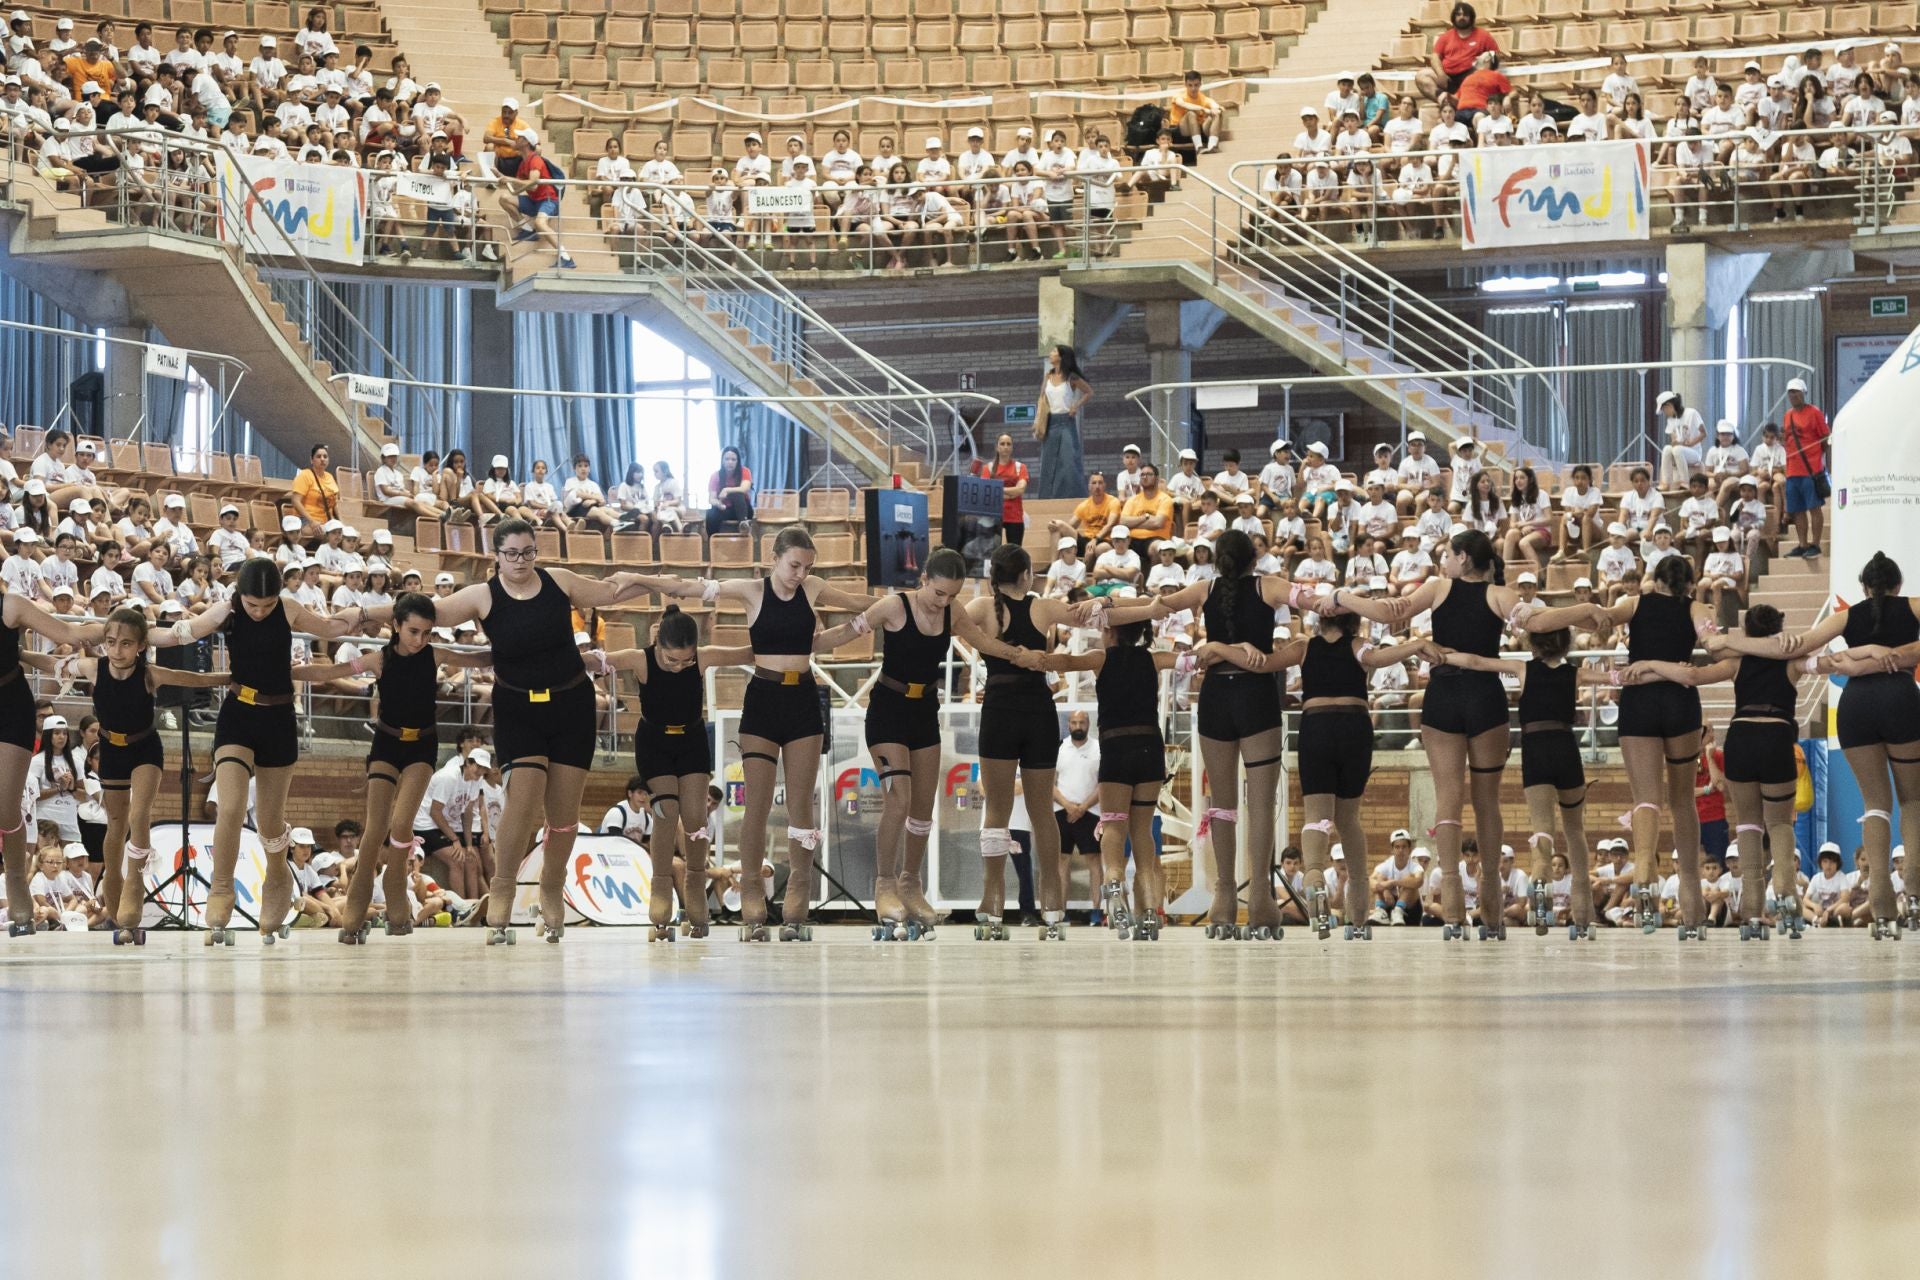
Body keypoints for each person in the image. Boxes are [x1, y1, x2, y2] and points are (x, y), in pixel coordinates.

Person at [369, 520, 661, 944]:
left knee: (564, 819)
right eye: (512, 554)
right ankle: (503, 885)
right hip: (518, 709)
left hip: (572, 705)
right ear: (497, 555)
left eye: (528, 552)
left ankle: (551, 887)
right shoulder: (483, 595)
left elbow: (611, 592)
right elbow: (425, 612)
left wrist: (666, 583)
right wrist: (364, 614)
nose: (521, 561)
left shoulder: (558, 581)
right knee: (521, 802)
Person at [1323, 530, 1603, 939]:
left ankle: (1453, 903)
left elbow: (1389, 610)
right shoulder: (1499, 595)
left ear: (1465, 559)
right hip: (1485, 698)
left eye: (1448, 555)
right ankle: (1491, 901)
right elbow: (1539, 621)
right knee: (1486, 802)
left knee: (1448, 801)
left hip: (1444, 697)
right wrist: (1583, 609)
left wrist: (1342, 597)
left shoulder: (1438, 588)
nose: (1443, 562)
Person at [1090, 530, 1314, 938]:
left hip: (1215, 698)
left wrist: (1105, 605)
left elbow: (1155, 606)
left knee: (1222, 807)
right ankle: (1261, 897)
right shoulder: (1270, 585)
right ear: (1253, 558)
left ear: (1216, 560)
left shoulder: (1203, 588)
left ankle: (1224, 896)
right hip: (1256, 695)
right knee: (1261, 804)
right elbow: (1310, 599)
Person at [657, 528, 877, 941]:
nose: (800, 573)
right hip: (763, 698)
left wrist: (890, 610)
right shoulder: (751, 590)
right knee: (756, 804)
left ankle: (798, 893)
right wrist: (645, 581)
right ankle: (752, 890)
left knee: (800, 804)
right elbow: (693, 587)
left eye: (807, 566)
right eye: (794, 564)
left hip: (803, 700)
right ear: (773, 558)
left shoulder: (812, 588)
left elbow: (859, 605)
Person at [823, 549, 1027, 939]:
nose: (943, 603)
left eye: (951, 595)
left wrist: (1025, 657)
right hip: (887, 711)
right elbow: (845, 633)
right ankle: (884, 884)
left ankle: (910, 884)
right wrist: (802, 645)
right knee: (898, 798)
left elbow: (985, 642)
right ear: (923, 581)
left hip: (923, 713)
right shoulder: (893, 607)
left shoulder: (953, 613)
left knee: (922, 809)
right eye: (938, 593)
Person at [1715, 553, 1920, 937]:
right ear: (1897, 585)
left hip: (1856, 706)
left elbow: (1792, 646)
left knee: (1875, 805)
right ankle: (1915, 891)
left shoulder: (1846, 617)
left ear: (1863, 587)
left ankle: (1879, 900)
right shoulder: (1913, 606)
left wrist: (1727, 639)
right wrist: (1902, 655)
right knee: (1912, 800)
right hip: (1901, 699)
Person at [171, 559, 362, 945]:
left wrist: (369, 614)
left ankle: (277, 877)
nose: (259, 611)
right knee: (230, 806)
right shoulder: (227, 610)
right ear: (240, 595)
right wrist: (130, 634)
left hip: (278, 718)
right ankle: (221, 887)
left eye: (267, 604)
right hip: (237, 714)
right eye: (252, 604)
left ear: (279, 596)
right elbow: (185, 632)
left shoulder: (290, 610)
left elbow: (330, 627)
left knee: (271, 822)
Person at [301, 593, 492, 942]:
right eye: (413, 631)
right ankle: (355, 916)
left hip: (422, 745)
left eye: (427, 633)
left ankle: (394, 892)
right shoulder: (379, 660)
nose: (420, 640)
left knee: (402, 825)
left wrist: (521, 650)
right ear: (396, 626)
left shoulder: (434, 654)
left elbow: (478, 658)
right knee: (374, 831)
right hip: (386, 745)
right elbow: (329, 671)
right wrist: (279, 674)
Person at [1264, 611, 1434, 938]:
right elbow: (1383, 658)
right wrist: (1417, 644)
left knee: (1316, 816)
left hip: (1317, 725)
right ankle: (1357, 916)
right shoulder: (1358, 645)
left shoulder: (1303, 647)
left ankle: (1314, 880)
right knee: (1348, 819)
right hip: (1354, 726)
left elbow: (1265, 662)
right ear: (1352, 622)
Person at [1435, 626, 1613, 938]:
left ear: (1534, 643)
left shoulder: (1523, 668)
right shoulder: (1576, 673)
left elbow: (1479, 662)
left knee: (1543, 828)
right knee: (1575, 830)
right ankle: (1584, 918)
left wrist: (1446, 655)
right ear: (1565, 644)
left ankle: (1541, 879)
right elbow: (1617, 679)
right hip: (1565, 745)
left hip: (1536, 747)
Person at [596, 605, 758, 940]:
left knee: (697, 816)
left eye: (687, 661)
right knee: (667, 811)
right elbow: (592, 661)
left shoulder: (703, 657)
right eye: (672, 660)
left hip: (691, 740)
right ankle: (659, 888)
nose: (680, 666)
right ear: (657, 645)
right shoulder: (640, 659)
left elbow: (751, 651)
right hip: (654, 742)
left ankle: (695, 885)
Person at [1024, 618, 1180, 938]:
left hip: (1117, 747)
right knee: (1142, 834)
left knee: (1113, 824)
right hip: (1151, 747)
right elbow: (1192, 659)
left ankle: (1113, 889)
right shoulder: (1154, 658)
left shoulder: (1100, 658)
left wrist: (1033, 657)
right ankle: (1149, 910)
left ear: (1110, 632)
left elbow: (1064, 661)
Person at [1594, 555, 1718, 936]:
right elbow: (1713, 640)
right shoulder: (1698, 607)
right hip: (1680, 702)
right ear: (1687, 584)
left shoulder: (1635, 603)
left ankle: (1644, 878)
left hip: (1640, 702)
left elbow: (1603, 620)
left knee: (1646, 799)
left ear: (1655, 579)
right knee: (1683, 800)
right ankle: (1693, 901)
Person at [967, 544, 1079, 939]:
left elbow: (941, 621)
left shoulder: (981, 608)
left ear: (993, 577)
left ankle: (993, 901)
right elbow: (1090, 615)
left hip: (999, 710)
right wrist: (1147, 606)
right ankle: (1052, 904)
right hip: (1037, 711)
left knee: (996, 810)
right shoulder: (1044, 608)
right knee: (1041, 811)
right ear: (1028, 575)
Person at [497, 133, 575, 270]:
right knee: (503, 198)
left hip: (548, 200)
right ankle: (527, 230)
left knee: (540, 223)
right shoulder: (523, 163)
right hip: (534, 201)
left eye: (520, 138)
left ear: (527, 142)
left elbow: (533, 184)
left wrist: (510, 180)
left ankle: (566, 257)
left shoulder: (535, 159)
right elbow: (517, 185)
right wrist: (500, 178)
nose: (516, 139)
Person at [1780, 376, 1829, 557]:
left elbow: (1825, 438)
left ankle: (1815, 544)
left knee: (1814, 507)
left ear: (1803, 393)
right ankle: (1802, 544)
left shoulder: (1814, 412)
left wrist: (1819, 460)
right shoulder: (1787, 416)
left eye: (1796, 391)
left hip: (1811, 469)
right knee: (1797, 509)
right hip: (1792, 470)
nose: (1793, 395)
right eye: (1790, 392)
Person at [1034, 344, 1091, 500]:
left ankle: (1075, 496)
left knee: (1069, 459)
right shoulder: (1048, 375)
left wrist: (1076, 405)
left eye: (1053, 352)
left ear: (1061, 356)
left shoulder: (1071, 377)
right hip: (1051, 421)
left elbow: (1088, 392)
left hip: (1066, 420)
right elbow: (1042, 398)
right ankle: (1047, 497)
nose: (1050, 354)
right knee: (1049, 460)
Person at [1418, 2, 1499, 103]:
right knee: (1421, 75)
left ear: (1471, 17)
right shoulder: (1445, 37)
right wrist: (1441, 74)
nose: (1462, 17)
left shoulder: (1484, 35)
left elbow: (1494, 57)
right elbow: (1435, 57)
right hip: (1448, 78)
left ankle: (1461, 102)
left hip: (1471, 77)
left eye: (1465, 15)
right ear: (1454, 17)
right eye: (1458, 14)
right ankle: (1445, 100)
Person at [972, 433, 1029, 547]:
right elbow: (987, 493)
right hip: (993, 515)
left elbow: (1020, 490)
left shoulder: (1020, 467)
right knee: (990, 553)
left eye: (1009, 444)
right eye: (1002, 444)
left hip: (1015, 516)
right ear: (997, 447)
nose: (1005, 446)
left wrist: (997, 489)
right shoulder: (987, 468)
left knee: (1014, 553)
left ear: (1012, 448)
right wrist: (1011, 493)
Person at [1655, 389, 1707, 488]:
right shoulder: (1670, 420)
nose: (1664, 413)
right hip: (1679, 450)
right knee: (1667, 449)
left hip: (1694, 453)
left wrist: (1690, 443)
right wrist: (1675, 442)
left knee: (1677, 450)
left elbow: (1704, 433)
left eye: (1664, 410)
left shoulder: (1691, 413)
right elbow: (1674, 440)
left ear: (1669, 406)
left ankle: (1685, 481)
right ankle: (1666, 482)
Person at [290, 442, 340, 538]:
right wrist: (312, 521)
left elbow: (334, 504)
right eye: (318, 456)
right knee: (332, 535)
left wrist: (341, 522)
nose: (322, 459)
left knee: (353, 535)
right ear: (312, 460)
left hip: (327, 522)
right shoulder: (305, 475)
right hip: (306, 520)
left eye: (325, 456)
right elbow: (295, 501)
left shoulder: (330, 477)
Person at [1168, 69, 1222, 155]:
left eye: (1196, 85)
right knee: (1191, 113)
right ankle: (1198, 147)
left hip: (1198, 130)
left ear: (1200, 84)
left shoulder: (1203, 98)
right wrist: (1203, 109)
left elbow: (1214, 104)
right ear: (1185, 85)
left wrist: (1215, 109)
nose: (1193, 89)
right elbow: (1183, 104)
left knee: (1217, 114)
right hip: (1179, 131)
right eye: (1190, 85)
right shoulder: (1179, 96)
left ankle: (1212, 146)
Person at [705, 445, 752, 535]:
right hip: (725, 508)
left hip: (743, 509)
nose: (730, 462)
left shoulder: (745, 471)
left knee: (737, 494)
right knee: (711, 514)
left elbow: (745, 488)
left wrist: (727, 490)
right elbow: (712, 499)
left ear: (738, 461)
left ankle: (744, 525)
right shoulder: (716, 475)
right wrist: (719, 504)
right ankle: (712, 542)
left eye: (733, 459)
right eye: (727, 459)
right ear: (722, 461)